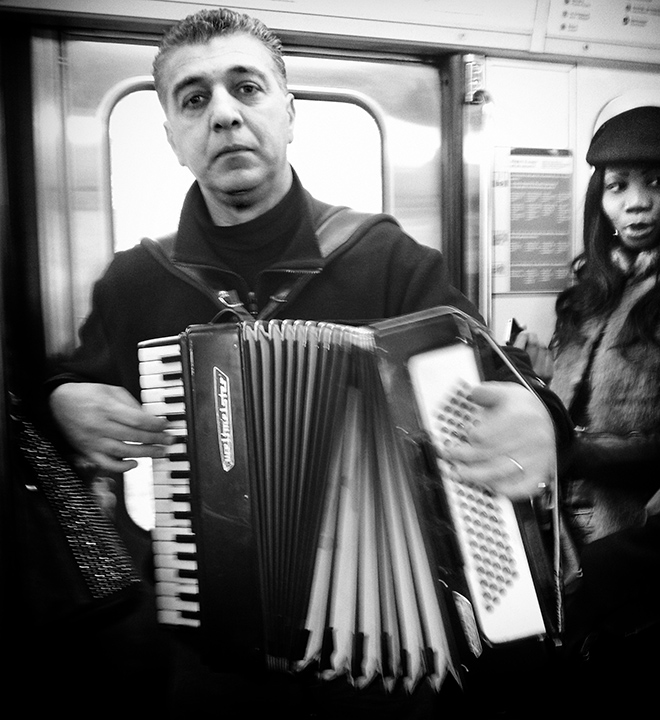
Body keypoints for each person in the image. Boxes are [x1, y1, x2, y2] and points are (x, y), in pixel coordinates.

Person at [41, 8, 572, 718]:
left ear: (289, 113)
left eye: (247, 88)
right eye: (194, 99)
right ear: (173, 136)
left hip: (378, 649)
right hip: (208, 661)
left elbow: (510, 394)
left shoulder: (393, 265)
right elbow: (67, 402)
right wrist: (62, 402)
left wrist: (542, 420)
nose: (224, 114)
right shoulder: (134, 283)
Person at [516, 105, 660, 715]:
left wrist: (570, 450)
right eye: (617, 186)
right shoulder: (590, 288)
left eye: (654, 183)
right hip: (564, 519)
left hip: (642, 532)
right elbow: (571, 393)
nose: (636, 203)